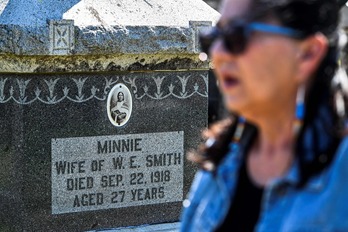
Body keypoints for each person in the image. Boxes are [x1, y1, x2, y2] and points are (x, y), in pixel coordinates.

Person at [180, 0, 348, 231]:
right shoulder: (221, 157)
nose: (217, 53)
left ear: (308, 53)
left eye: (237, 36)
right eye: (213, 37)